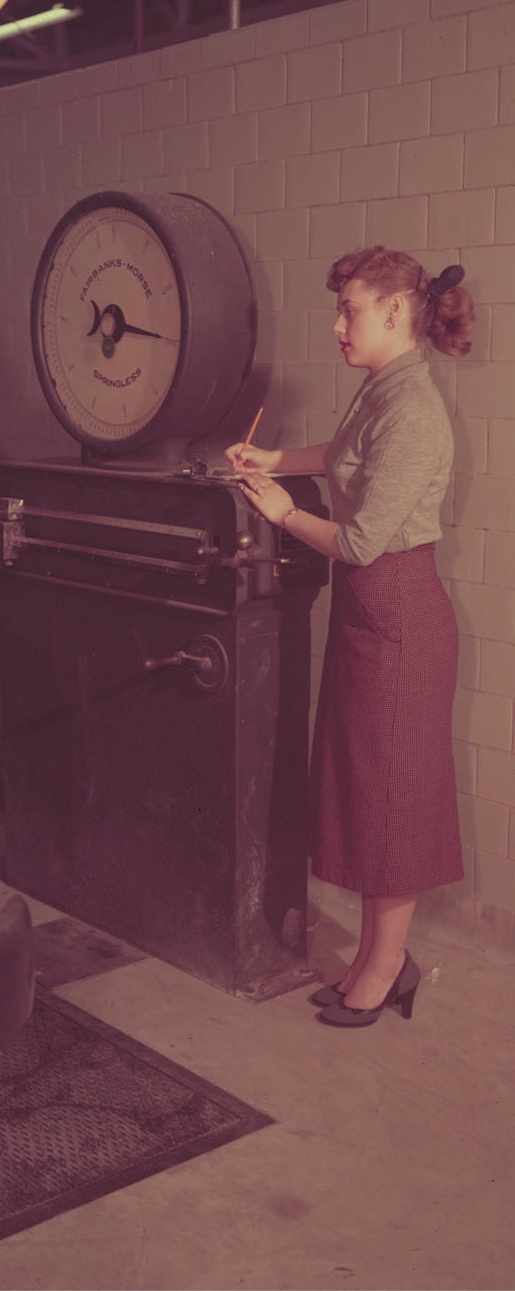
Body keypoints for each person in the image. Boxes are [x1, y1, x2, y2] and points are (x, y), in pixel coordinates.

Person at [225, 245, 475, 1028]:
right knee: (370, 795)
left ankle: (389, 965)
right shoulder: (381, 388)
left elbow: (362, 542)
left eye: (350, 310)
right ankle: (376, 959)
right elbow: (338, 459)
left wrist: (282, 513)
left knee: (391, 802)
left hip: (400, 617)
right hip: (373, 617)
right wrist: (273, 459)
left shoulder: (416, 409)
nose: (338, 326)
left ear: (396, 312)